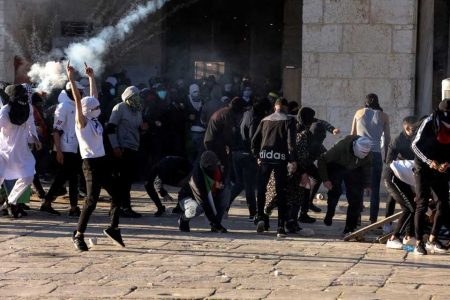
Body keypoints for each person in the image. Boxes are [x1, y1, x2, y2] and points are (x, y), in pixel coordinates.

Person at [68, 62, 124, 251]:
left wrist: (91, 77)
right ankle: (78, 234)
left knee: (118, 194)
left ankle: (114, 228)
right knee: (91, 201)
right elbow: (78, 101)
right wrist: (71, 79)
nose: (99, 108)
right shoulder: (82, 122)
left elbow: (93, 98)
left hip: (103, 161)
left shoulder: (93, 118)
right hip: (90, 164)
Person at [251, 98, 297, 237]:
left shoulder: (265, 120)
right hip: (280, 159)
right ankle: (280, 227)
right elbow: (291, 142)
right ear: (285, 107)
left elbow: (254, 140)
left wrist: (257, 155)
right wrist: (293, 160)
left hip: (265, 157)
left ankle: (260, 218)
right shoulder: (289, 120)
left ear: (275, 106)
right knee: (281, 192)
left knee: (261, 189)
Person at [411, 99, 450, 255]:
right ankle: (419, 242)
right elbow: (414, 145)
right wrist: (429, 162)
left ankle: (432, 239)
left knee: (443, 203)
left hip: (440, 169)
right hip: (423, 168)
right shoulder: (429, 122)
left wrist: (447, 163)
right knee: (422, 204)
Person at [40, 81, 85, 216]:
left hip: (76, 147)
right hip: (65, 148)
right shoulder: (63, 106)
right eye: (79, 92)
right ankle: (66, 206)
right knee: (66, 178)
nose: (81, 94)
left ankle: (68, 206)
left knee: (69, 178)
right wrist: (58, 151)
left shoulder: (78, 105)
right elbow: (56, 131)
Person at [0, 84, 41, 217]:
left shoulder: (27, 107)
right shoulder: (4, 112)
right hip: (4, 152)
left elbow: (30, 123)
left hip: (21, 151)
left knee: (28, 176)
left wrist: (35, 138)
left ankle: (11, 201)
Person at [107, 86, 147, 218]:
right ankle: (119, 207)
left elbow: (138, 128)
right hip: (122, 148)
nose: (138, 99)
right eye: (135, 97)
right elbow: (111, 129)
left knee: (128, 180)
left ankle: (123, 207)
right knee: (121, 180)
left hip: (134, 147)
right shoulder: (119, 108)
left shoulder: (138, 110)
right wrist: (115, 146)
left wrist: (143, 129)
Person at [318, 135, 372, 234]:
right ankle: (330, 212)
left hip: (355, 169)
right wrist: (325, 180)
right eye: (362, 153)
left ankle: (349, 228)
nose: (365, 154)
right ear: (355, 147)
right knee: (335, 191)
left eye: (366, 153)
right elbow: (322, 160)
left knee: (355, 198)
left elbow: (367, 167)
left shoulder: (367, 151)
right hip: (337, 165)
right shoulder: (340, 147)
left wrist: (367, 184)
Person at [229, 98, 271, 219]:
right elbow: (253, 138)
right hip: (247, 155)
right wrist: (256, 154)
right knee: (249, 186)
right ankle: (253, 213)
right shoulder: (256, 118)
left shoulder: (246, 113)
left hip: (237, 153)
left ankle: (225, 206)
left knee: (239, 183)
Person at [351, 93, 390, 223]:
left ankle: (357, 217)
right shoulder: (384, 116)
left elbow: (352, 135)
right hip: (376, 154)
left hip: (360, 154)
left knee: (358, 186)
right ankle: (373, 220)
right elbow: (388, 139)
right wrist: (386, 157)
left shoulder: (358, 113)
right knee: (375, 189)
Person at [177, 151, 228, 233]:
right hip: (188, 198)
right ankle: (183, 219)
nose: (214, 168)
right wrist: (214, 222)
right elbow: (204, 201)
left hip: (208, 196)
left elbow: (222, 185)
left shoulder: (218, 169)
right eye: (211, 166)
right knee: (196, 209)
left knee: (225, 195)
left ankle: (215, 224)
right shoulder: (196, 177)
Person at [383, 116, 417, 232]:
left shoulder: (417, 137)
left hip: (413, 172)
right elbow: (389, 161)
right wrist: (402, 166)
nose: (416, 131)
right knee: (392, 197)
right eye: (414, 129)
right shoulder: (397, 140)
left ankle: (409, 229)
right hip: (399, 171)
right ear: (407, 128)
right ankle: (388, 222)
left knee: (412, 201)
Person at [385, 160, 416, 249]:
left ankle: (409, 237)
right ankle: (393, 239)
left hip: (402, 177)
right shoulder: (435, 172)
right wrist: (430, 213)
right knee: (409, 209)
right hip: (393, 175)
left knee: (412, 207)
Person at [185, 83, 205, 163]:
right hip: (190, 133)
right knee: (191, 153)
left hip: (201, 131)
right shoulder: (186, 101)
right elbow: (181, 114)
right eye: (194, 92)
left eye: (198, 91)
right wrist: (188, 117)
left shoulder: (202, 101)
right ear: (190, 92)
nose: (197, 93)